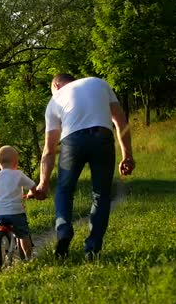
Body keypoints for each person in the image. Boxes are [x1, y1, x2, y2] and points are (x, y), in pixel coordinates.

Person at [34, 74, 135, 260]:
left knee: (64, 190)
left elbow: (49, 150)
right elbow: (121, 121)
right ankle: (92, 249)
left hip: (72, 141)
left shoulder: (55, 100)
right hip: (102, 136)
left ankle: (63, 230)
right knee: (101, 194)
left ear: (56, 84)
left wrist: (43, 183)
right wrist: (127, 155)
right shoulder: (99, 83)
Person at [0, 145, 37, 273]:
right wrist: (33, 193)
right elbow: (32, 185)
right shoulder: (18, 174)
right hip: (16, 212)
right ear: (16, 163)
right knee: (23, 234)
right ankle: (29, 257)